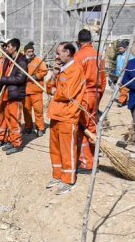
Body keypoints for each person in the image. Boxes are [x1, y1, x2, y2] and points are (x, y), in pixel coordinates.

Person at [46, 42, 86, 195]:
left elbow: (66, 94)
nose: (56, 56)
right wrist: (54, 75)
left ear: (68, 53)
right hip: (56, 113)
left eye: (59, 53)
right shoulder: (62, 70)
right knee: (54, 147)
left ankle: (68, 179)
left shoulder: (75, 70)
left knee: (67, 148)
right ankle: (57, 175)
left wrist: (56, 89)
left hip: (68, 115)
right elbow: (49, 89)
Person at [75, 29, 106, 174]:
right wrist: (99, 96)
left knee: (83, 128)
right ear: (91, 41)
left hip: (84, 94)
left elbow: (75, 79)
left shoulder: (79, 56)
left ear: (77, 42)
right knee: (92, 128)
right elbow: (104, 80)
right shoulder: (98, 55)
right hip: (96, 93)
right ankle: (94, 161)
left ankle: (86, 163)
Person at [0, 39, 28, 155]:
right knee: (8, 119)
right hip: (7, 94)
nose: (7, 48)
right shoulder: (9, 60)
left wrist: (3, 79)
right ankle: (11, 140)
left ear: (14, 47)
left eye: (9, 46)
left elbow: (20, 78)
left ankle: (17, 143)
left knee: (15, 120)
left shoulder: (21, 61)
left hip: (15, 95)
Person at [22, 42, 48, 136]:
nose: (31, 53)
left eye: (32, 51)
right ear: (25, 52)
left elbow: (44, 71)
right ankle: (28, 127)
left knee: (38, 111)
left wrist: (36, 76)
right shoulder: (22, 61)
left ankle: (40, 127)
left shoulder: (38, 61)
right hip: (25, 91)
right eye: (29, 51)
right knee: (26, 111)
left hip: (36, 91)